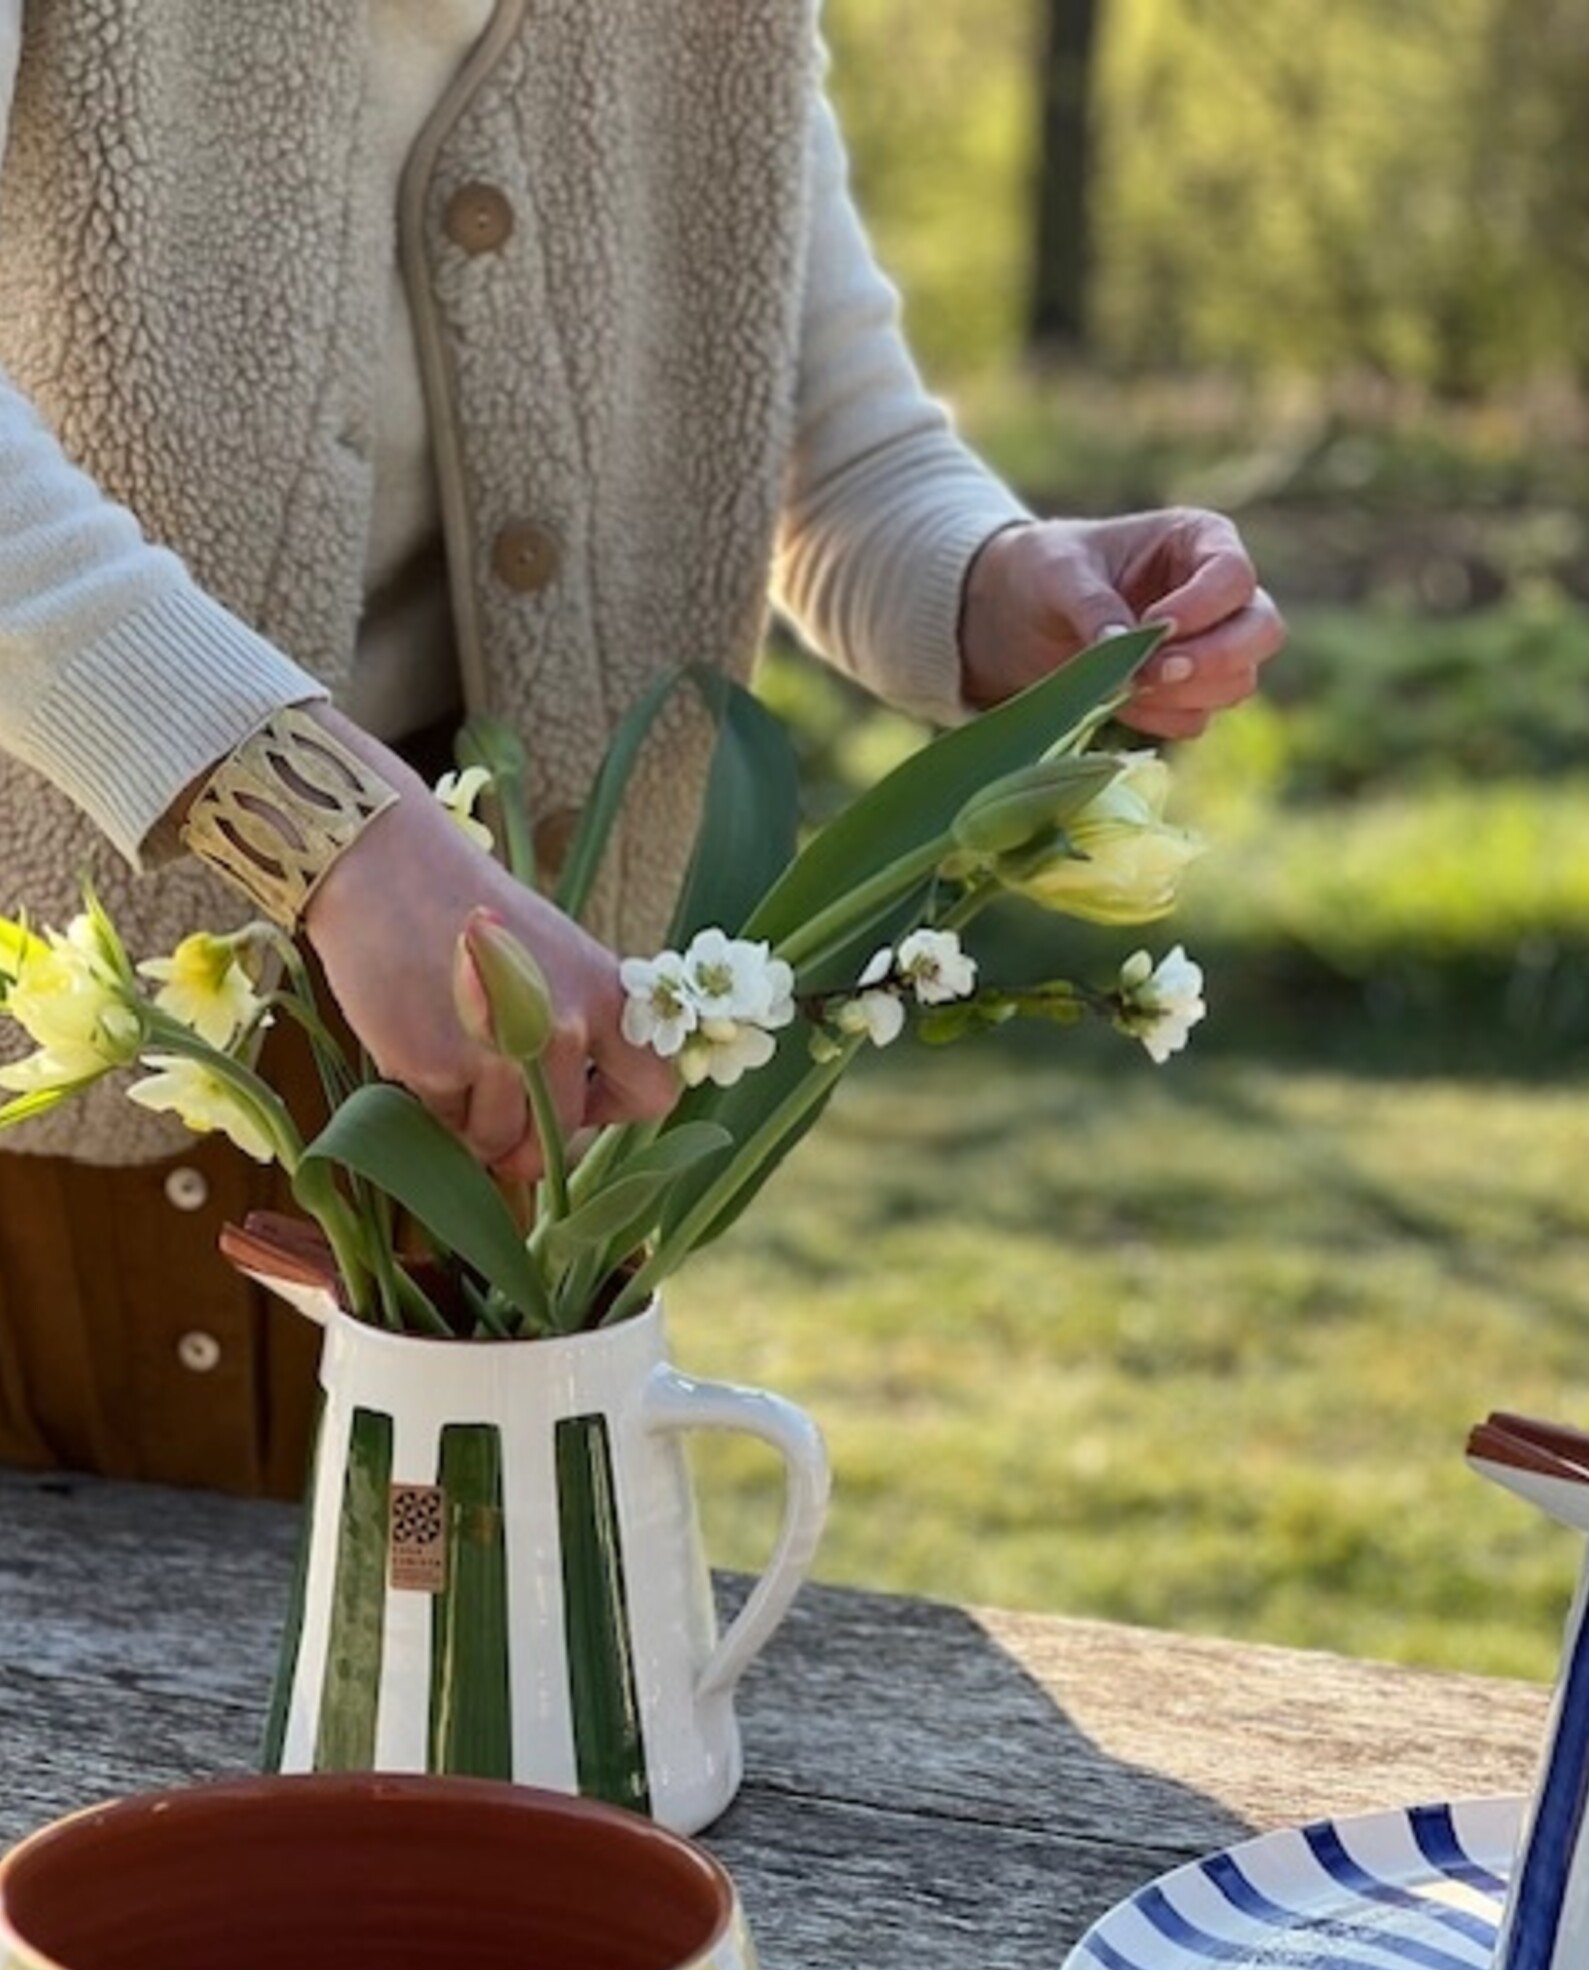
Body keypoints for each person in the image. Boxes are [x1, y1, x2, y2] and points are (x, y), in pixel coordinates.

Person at [0, 3, 1284, 1496]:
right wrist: (328, 824)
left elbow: (842, 452)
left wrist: (1008, 587)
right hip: (77, 1000)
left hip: (509, 1034)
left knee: (456, 1674)